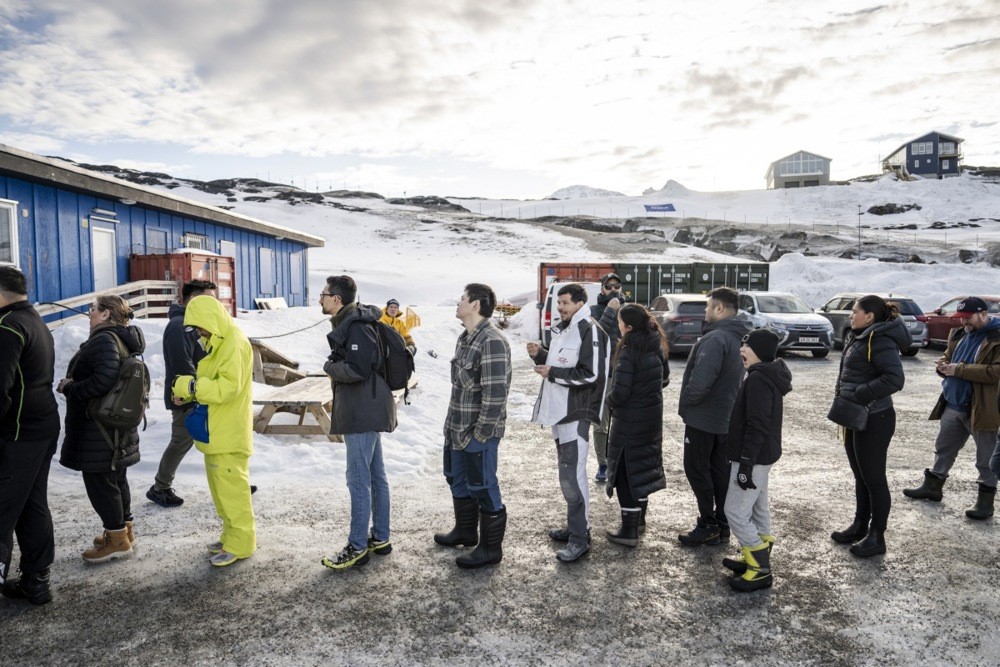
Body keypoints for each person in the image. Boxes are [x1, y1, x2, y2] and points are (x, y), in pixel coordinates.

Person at [319, 276, 397, 571]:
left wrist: (329, 367)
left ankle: (357, 546)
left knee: (358, 480)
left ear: (336, 299)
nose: (320, 299)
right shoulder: (352, 321)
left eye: (324, 295)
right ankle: (380, 538)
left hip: (363, 410)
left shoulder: (355, 324)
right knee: (375, 476)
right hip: (367, 406)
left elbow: (359, 368)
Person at [58, 295, 144, 563]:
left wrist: (70, 387)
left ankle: (116, 539)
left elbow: (103, 380)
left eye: (93, 309)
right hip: (114, 425)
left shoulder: (105, 340)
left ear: (106, 315)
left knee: (101, 482)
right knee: (115, 479)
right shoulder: (119, 339)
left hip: (99, 428)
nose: (89, 314)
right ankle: (123, 530)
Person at [528, 283, 610, 563]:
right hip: (560, 413)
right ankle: (577, 526)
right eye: (558, 303)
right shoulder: (567, 329)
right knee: (567, 475)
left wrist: (552, 372)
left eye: (564, 303)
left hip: (576, 413)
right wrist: (540, 355)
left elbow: (591, 374)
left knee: (572, 477)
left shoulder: (589, 329)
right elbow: (563, 362)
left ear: (579, 303)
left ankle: (580, 539)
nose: (560, 307)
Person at [171, 295, 255, 567]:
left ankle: (241, 543)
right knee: (222, 492)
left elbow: (229, 388)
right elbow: (216, 384)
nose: (198, 332)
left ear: (211, 320)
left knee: (233, 493)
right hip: (217, 431)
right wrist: (191, 394)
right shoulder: (220, 343)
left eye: (199, 326)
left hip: (228, 433)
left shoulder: (234, 343)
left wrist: (192, 388)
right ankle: (231, 535)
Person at [434, 283, 512, 568]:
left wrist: (480, 435)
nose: (459, 303)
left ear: (476, 305)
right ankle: (466, 531)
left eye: (462, 299)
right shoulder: (465, 338)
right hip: (456, 429)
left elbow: (495, 395)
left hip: (478, 433)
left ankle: (491, 549)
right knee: (456, 478)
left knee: (484, 486)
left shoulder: (491, 340)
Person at [902, 297, 1000, 520]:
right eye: (961, 318)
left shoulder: (997, 337)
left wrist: (958, 370)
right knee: (943, 449)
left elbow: (995, 372)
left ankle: (985, 503)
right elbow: (949, 356)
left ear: (983, 314)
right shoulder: (959, 334)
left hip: (983, 409)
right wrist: (943, 365)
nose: (964, 323)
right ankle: (932, 487)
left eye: (968, 318)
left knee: (986, 459)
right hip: (953, 405)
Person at [830, 295, 910, 558]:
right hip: (857, 416)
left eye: (855, 311)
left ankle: (877, 537)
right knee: (860, 475)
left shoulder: (880, 339)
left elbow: (894, 379)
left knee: (874, 478)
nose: (851, 316)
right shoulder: (862, 335)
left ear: (870, 316)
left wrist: (860, 393)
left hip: (876, 418)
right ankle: (859, 525)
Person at [0, 267, 61, 605]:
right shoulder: (36, 320)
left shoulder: (8, 327)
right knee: (31, 504)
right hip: (42, 426)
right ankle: (36, 581)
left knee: (4, 508)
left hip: (19, 432)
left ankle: (34, 579)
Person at [676, 286, 751, 546]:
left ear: (719, 308)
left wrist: (687, 401)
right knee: (720, 471)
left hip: (704, 419)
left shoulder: (716, 338)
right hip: (725, 418)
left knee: (697, 469)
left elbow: (700, 383)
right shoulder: (735, 337)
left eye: (708, 307)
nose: (705, 312)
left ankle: (708, 523)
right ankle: (722, 523)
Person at [722, 329, 792, 592]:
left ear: (759, 351)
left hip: (752, 456)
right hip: (763, 455)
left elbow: (757, 425)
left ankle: (760, 567)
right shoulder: (763, 374)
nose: (741, 350)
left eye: (747, 346)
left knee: (735, 512)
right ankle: (754, 557)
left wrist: (746, 464)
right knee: (758, 507)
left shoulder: (759, 380)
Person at [146, 279, 216, 508]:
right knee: (180, 442)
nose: (215, 305)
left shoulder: (197, 323)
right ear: (194, 299)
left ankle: (231, 480)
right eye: (210, 299)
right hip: (185, 396)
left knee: (216, 439)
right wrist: (192, 393)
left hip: (203, 392)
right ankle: (160, 487)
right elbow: (181, 364)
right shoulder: (179, 326)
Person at [604, 304, 668, 548]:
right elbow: (665, 378)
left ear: (628, 327)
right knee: (642, 466)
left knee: (626, 472)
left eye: (620, 322)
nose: (618, 326)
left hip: (629, 420)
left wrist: (606, 403)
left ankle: (628, 531)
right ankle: (639, 520)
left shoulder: (629, 351)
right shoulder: (657, 344)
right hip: (651, 418)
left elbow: (620, 393)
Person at [590, 272, 626, 483]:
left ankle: (620, 460)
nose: (613, 289)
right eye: (609, 286)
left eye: (617, 286)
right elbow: (596, 335)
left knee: (623, 421)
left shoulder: (630, 311)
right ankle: (603, 463)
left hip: (625, 375)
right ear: (602, 289)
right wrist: (611, 311)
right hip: (603, 376)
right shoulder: (595, 311)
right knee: (601, 423)